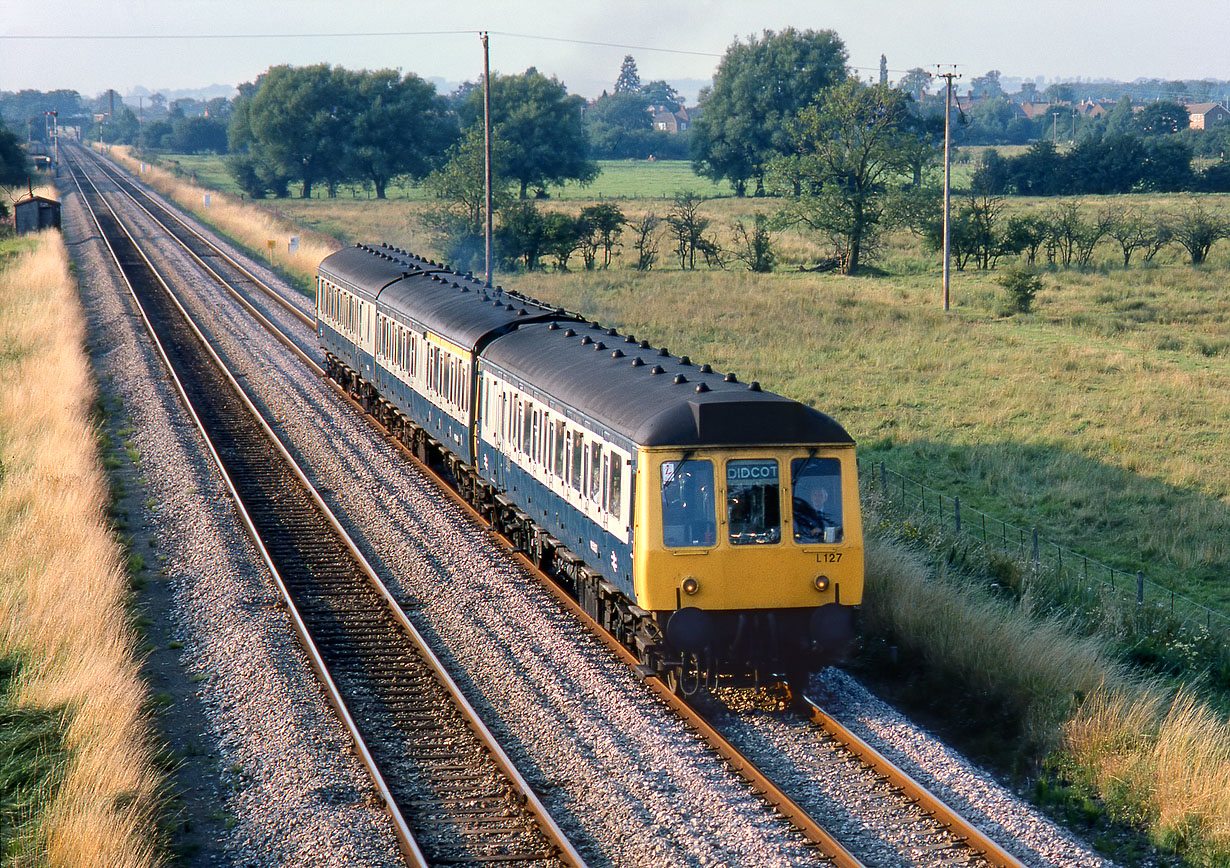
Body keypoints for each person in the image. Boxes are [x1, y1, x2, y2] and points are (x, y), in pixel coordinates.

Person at [792, 477, 835, 543]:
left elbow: (835, 526)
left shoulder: (832, 513)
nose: (817, 498)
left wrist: (822, 530)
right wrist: (810, 532)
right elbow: (800, 528)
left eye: (820, 495)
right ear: (811, 497)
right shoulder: (804, 513)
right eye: (815, 495)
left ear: (825, 498)